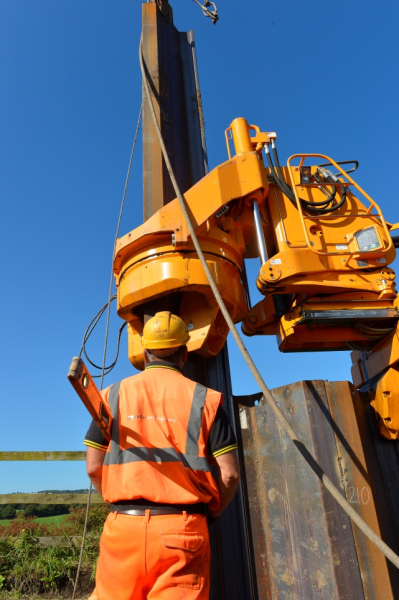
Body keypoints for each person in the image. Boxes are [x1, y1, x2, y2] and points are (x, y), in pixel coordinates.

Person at [84, 311, 240, 600]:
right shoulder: (207, 399)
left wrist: (123, 501)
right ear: (184, 354)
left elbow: (94, 468)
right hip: (183, 530)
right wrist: (212, 512)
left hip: (123, 530)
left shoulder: (110, 395)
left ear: (144, 353)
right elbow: (229, 474)